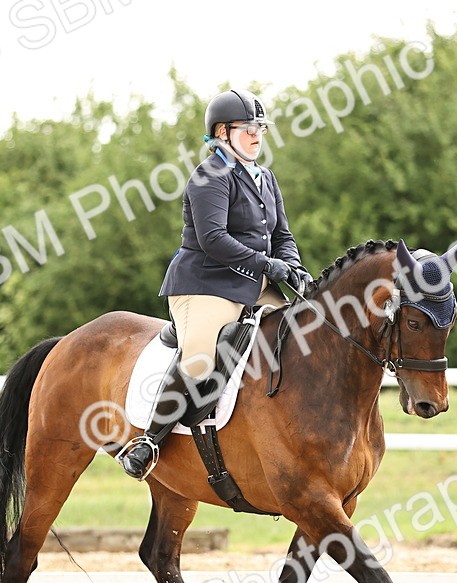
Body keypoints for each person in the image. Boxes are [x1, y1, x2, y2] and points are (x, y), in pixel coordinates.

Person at [119, 89, 314, 480]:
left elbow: (283, 235)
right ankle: (149, 441)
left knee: (303, 337)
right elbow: (214, 239)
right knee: (200, 358)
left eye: (261, 128)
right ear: (223, 132)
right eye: (248, 129)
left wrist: (292, 265)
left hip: (254, 282)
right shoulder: (210, 176)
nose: (257, 135)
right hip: (206, 283)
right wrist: (266, 264)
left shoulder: (265, 177)